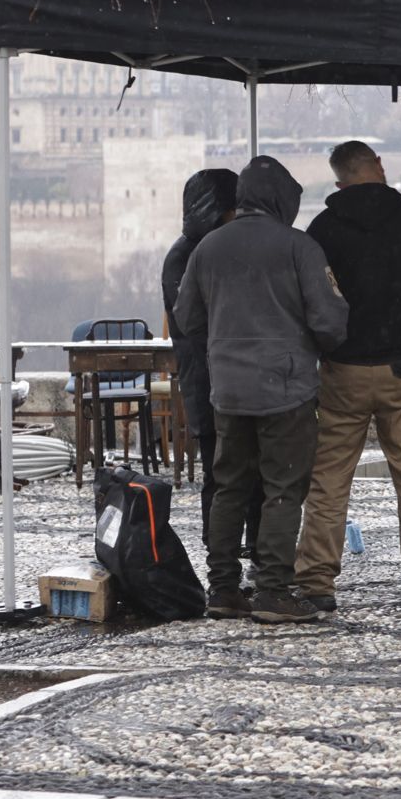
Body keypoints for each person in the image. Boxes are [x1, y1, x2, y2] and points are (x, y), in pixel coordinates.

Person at [172, 156, 349, 624]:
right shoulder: (299, 247)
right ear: (282, 200)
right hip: (285, 390)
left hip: (228, 391)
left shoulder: (207, 248)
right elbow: (329, 322)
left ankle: (223, 590)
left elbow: (186, 318)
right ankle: (272, 589)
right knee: (283, 488)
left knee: (229, 487)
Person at [296, 140, 401, 613]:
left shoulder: (323, 228)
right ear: (381, 168)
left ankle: (316, 582)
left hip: (344, 368)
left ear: (339, 180)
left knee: (330, 479)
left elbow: (314, 303)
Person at [160, 168, 260, 557]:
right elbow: (194, 323)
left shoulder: (195, 252)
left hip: (219, 376)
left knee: (238, 471)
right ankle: (221, 547)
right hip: (209, 378)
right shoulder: (187, 257)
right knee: (221, 473)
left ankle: (238, 544)